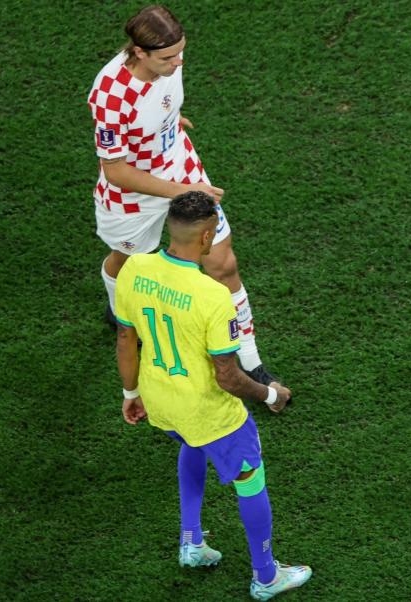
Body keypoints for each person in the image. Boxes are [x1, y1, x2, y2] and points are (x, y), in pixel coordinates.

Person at [115, 191, 311, 599]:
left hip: (160, 402)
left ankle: (192, 542)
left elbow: (125, 337)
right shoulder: (212, 297)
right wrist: (269, 395)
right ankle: (266, 576)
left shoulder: (135, 268)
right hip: (207, 411)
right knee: (249, 478)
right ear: (207, 237)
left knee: (191, 443)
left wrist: (131, 392)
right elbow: (227, 376)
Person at [89, 4, 281, 389]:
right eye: (167, 57)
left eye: (181, 52)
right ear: (139, 52)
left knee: (223, 264)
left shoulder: (168, 61)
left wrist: (170, 120)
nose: (178, 63)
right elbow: (117, 171)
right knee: (126, 262)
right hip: (133, 196)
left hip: (182, 169)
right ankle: (116, 310)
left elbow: (160, 100)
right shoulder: (110, 96)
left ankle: (248, 357)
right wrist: (185, 191)